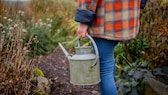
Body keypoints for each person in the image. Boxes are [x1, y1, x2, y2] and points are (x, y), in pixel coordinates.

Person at [74, 0, 147, 95]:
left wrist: (84, 20)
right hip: (127, 15)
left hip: (105, 18)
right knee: (107, 62)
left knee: (104, 69)